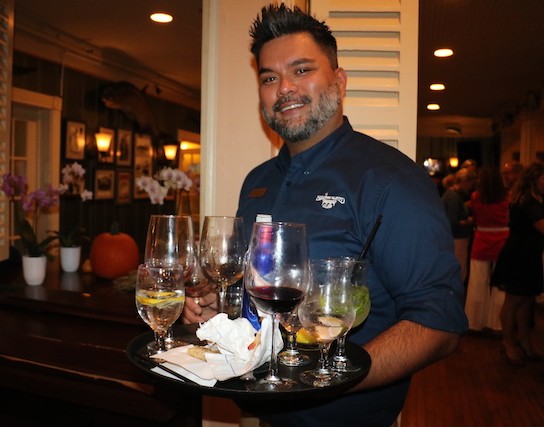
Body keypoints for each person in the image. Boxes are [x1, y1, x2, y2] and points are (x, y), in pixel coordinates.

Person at [182, 5, 467, 426]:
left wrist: (329, 380)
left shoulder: (391, 180)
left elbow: (438, 323)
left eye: (301, 70)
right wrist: (220, 310)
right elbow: (260, 303)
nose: (285, 88)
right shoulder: (257, 182)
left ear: (339, 80)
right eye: (270, 78)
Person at [492, 162, 544, 364]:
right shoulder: (527, 201)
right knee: (513, 302)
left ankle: (524, 342)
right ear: (534, 179)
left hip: (529, 256)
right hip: (519, 257)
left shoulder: (534, 199)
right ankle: (508, 343)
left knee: (526, 301)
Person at [465, 166, 509, 333]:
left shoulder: (476, 197)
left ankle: (474, 321)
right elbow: (507, 219)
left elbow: (475, 218)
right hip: (502, 239)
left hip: (482, 238)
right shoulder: (507, 197)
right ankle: (497, 322)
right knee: (500, 284)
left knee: (477, 281)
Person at [442, 168, 476, 283]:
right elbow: (452, 221)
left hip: (453, 239)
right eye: (470, 184)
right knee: (459, 272)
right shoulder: (453, 197)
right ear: (464, 181)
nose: (470, 188)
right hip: (458, 239)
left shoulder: (450, 194)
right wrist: (468, 221)